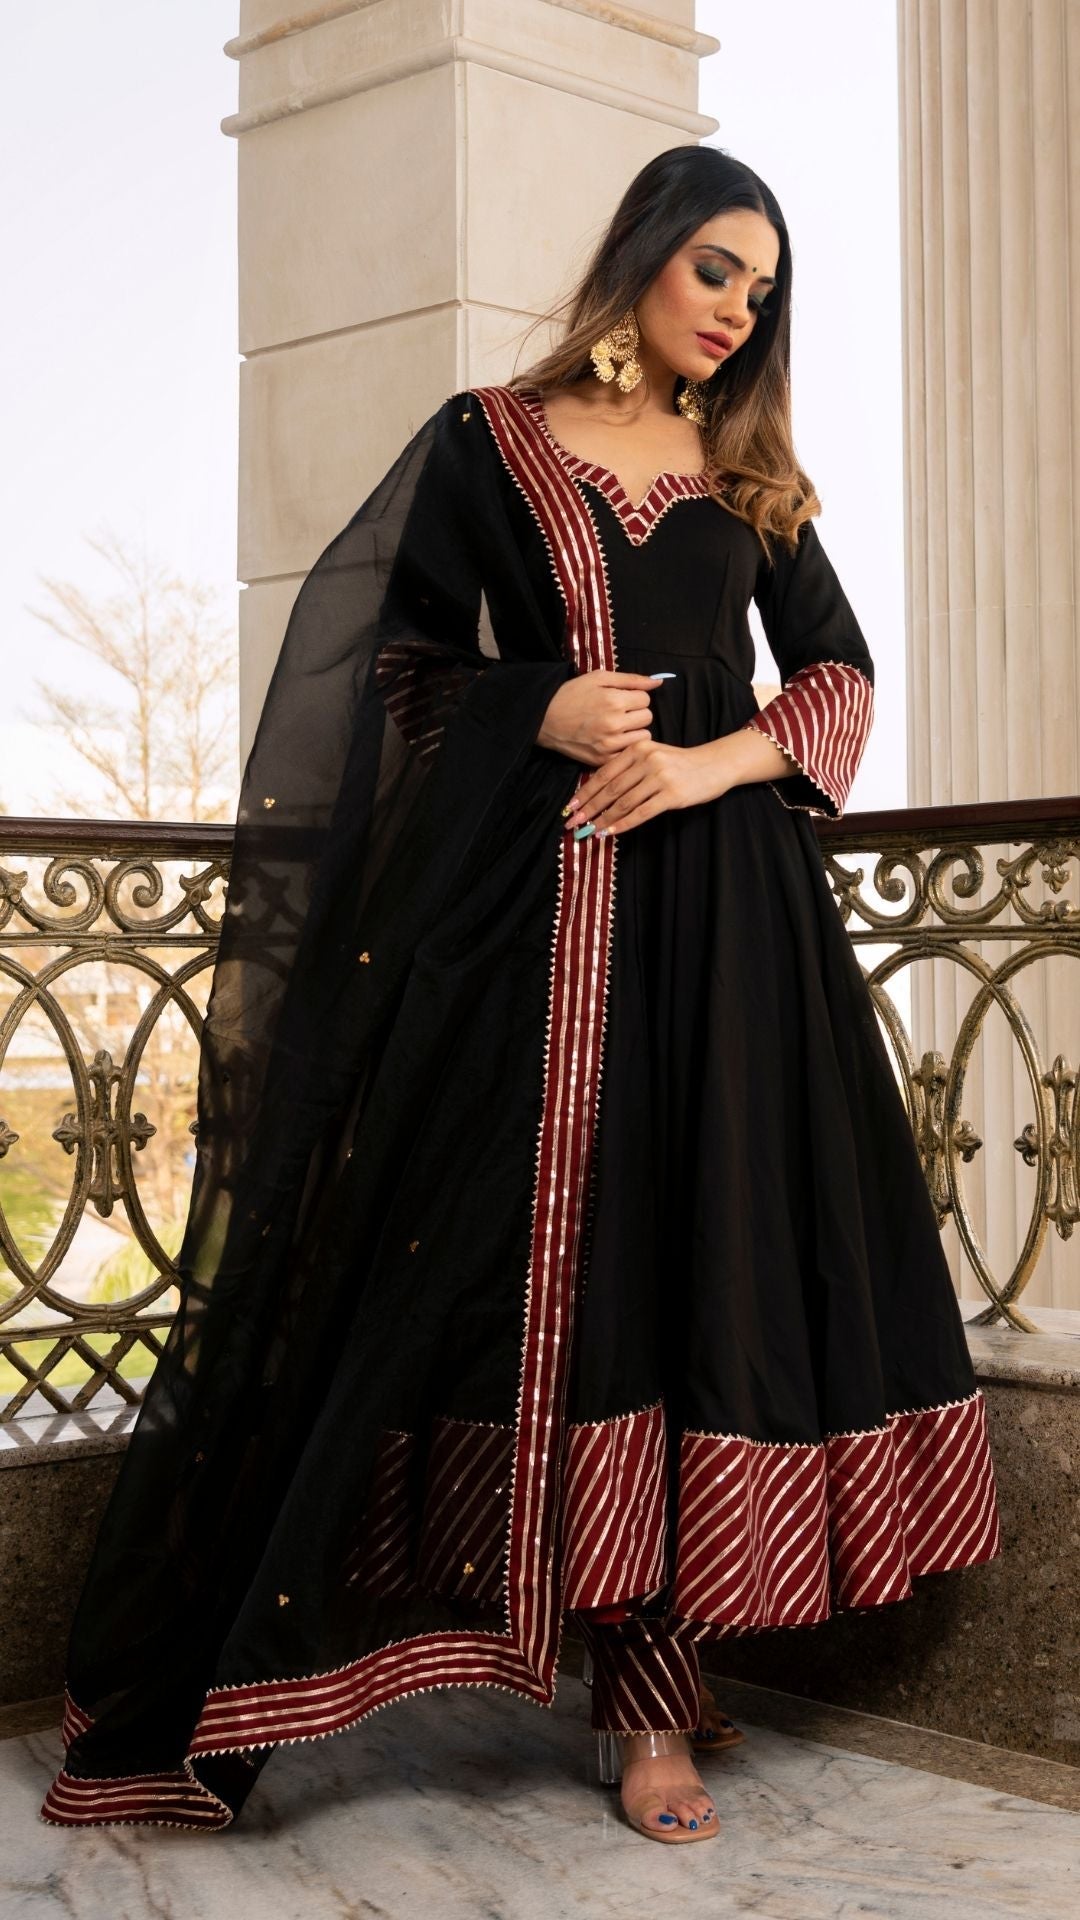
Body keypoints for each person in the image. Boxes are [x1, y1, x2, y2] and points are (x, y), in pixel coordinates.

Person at [42, 146, 1000, 1848]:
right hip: (533, 934)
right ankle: (496, 1643)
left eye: (764, 288)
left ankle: (654, 1707)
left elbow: (840, 679)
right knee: (560, 1276)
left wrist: (701, 766)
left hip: (730, 941)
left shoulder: (751, 478)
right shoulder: (492, 440)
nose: (739, 309)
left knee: (698, 1275)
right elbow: (402, 675)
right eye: (716, 269)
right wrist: (539, 708)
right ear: (645, 253)